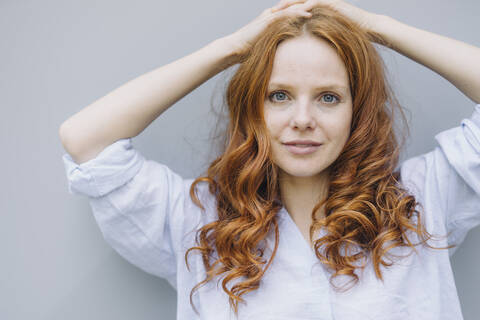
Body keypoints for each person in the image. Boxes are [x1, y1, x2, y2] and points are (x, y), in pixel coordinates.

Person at [59, 1, 480, 319]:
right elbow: (85, 140)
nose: (302, 120)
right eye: (278, 96)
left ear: (358, 110)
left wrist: (378, 29)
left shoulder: (422, 202)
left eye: (328, 98)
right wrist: (229, 50)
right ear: (252, 109)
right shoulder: (196, 222)